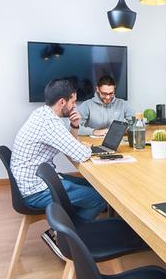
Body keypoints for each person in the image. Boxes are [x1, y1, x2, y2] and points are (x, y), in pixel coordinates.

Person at [11, 78, 106, 258]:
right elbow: (80, 154)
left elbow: (71, 144)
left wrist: (75, 126)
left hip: (33, 182)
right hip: (35, 191)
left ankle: (61, 229)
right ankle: (65, 239)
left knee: (93, 186)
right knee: (99, 198)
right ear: (62, 102)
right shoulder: (50, 124)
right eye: (73, 102)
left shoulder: (42, 114)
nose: (74, 106)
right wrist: (90, 148)